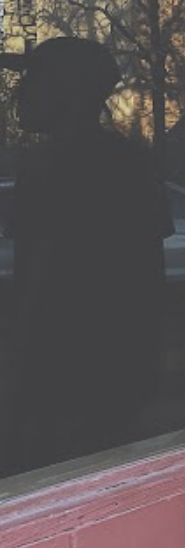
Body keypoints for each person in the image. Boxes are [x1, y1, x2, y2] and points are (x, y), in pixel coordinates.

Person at [2, 37, 172, 471]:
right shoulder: (128, 162)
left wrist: (19, 377)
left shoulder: (50, 168)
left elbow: (39, 285)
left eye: (33, 81)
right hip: (106, 376)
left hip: (69, 381)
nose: (21, 94)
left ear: (66, 92)